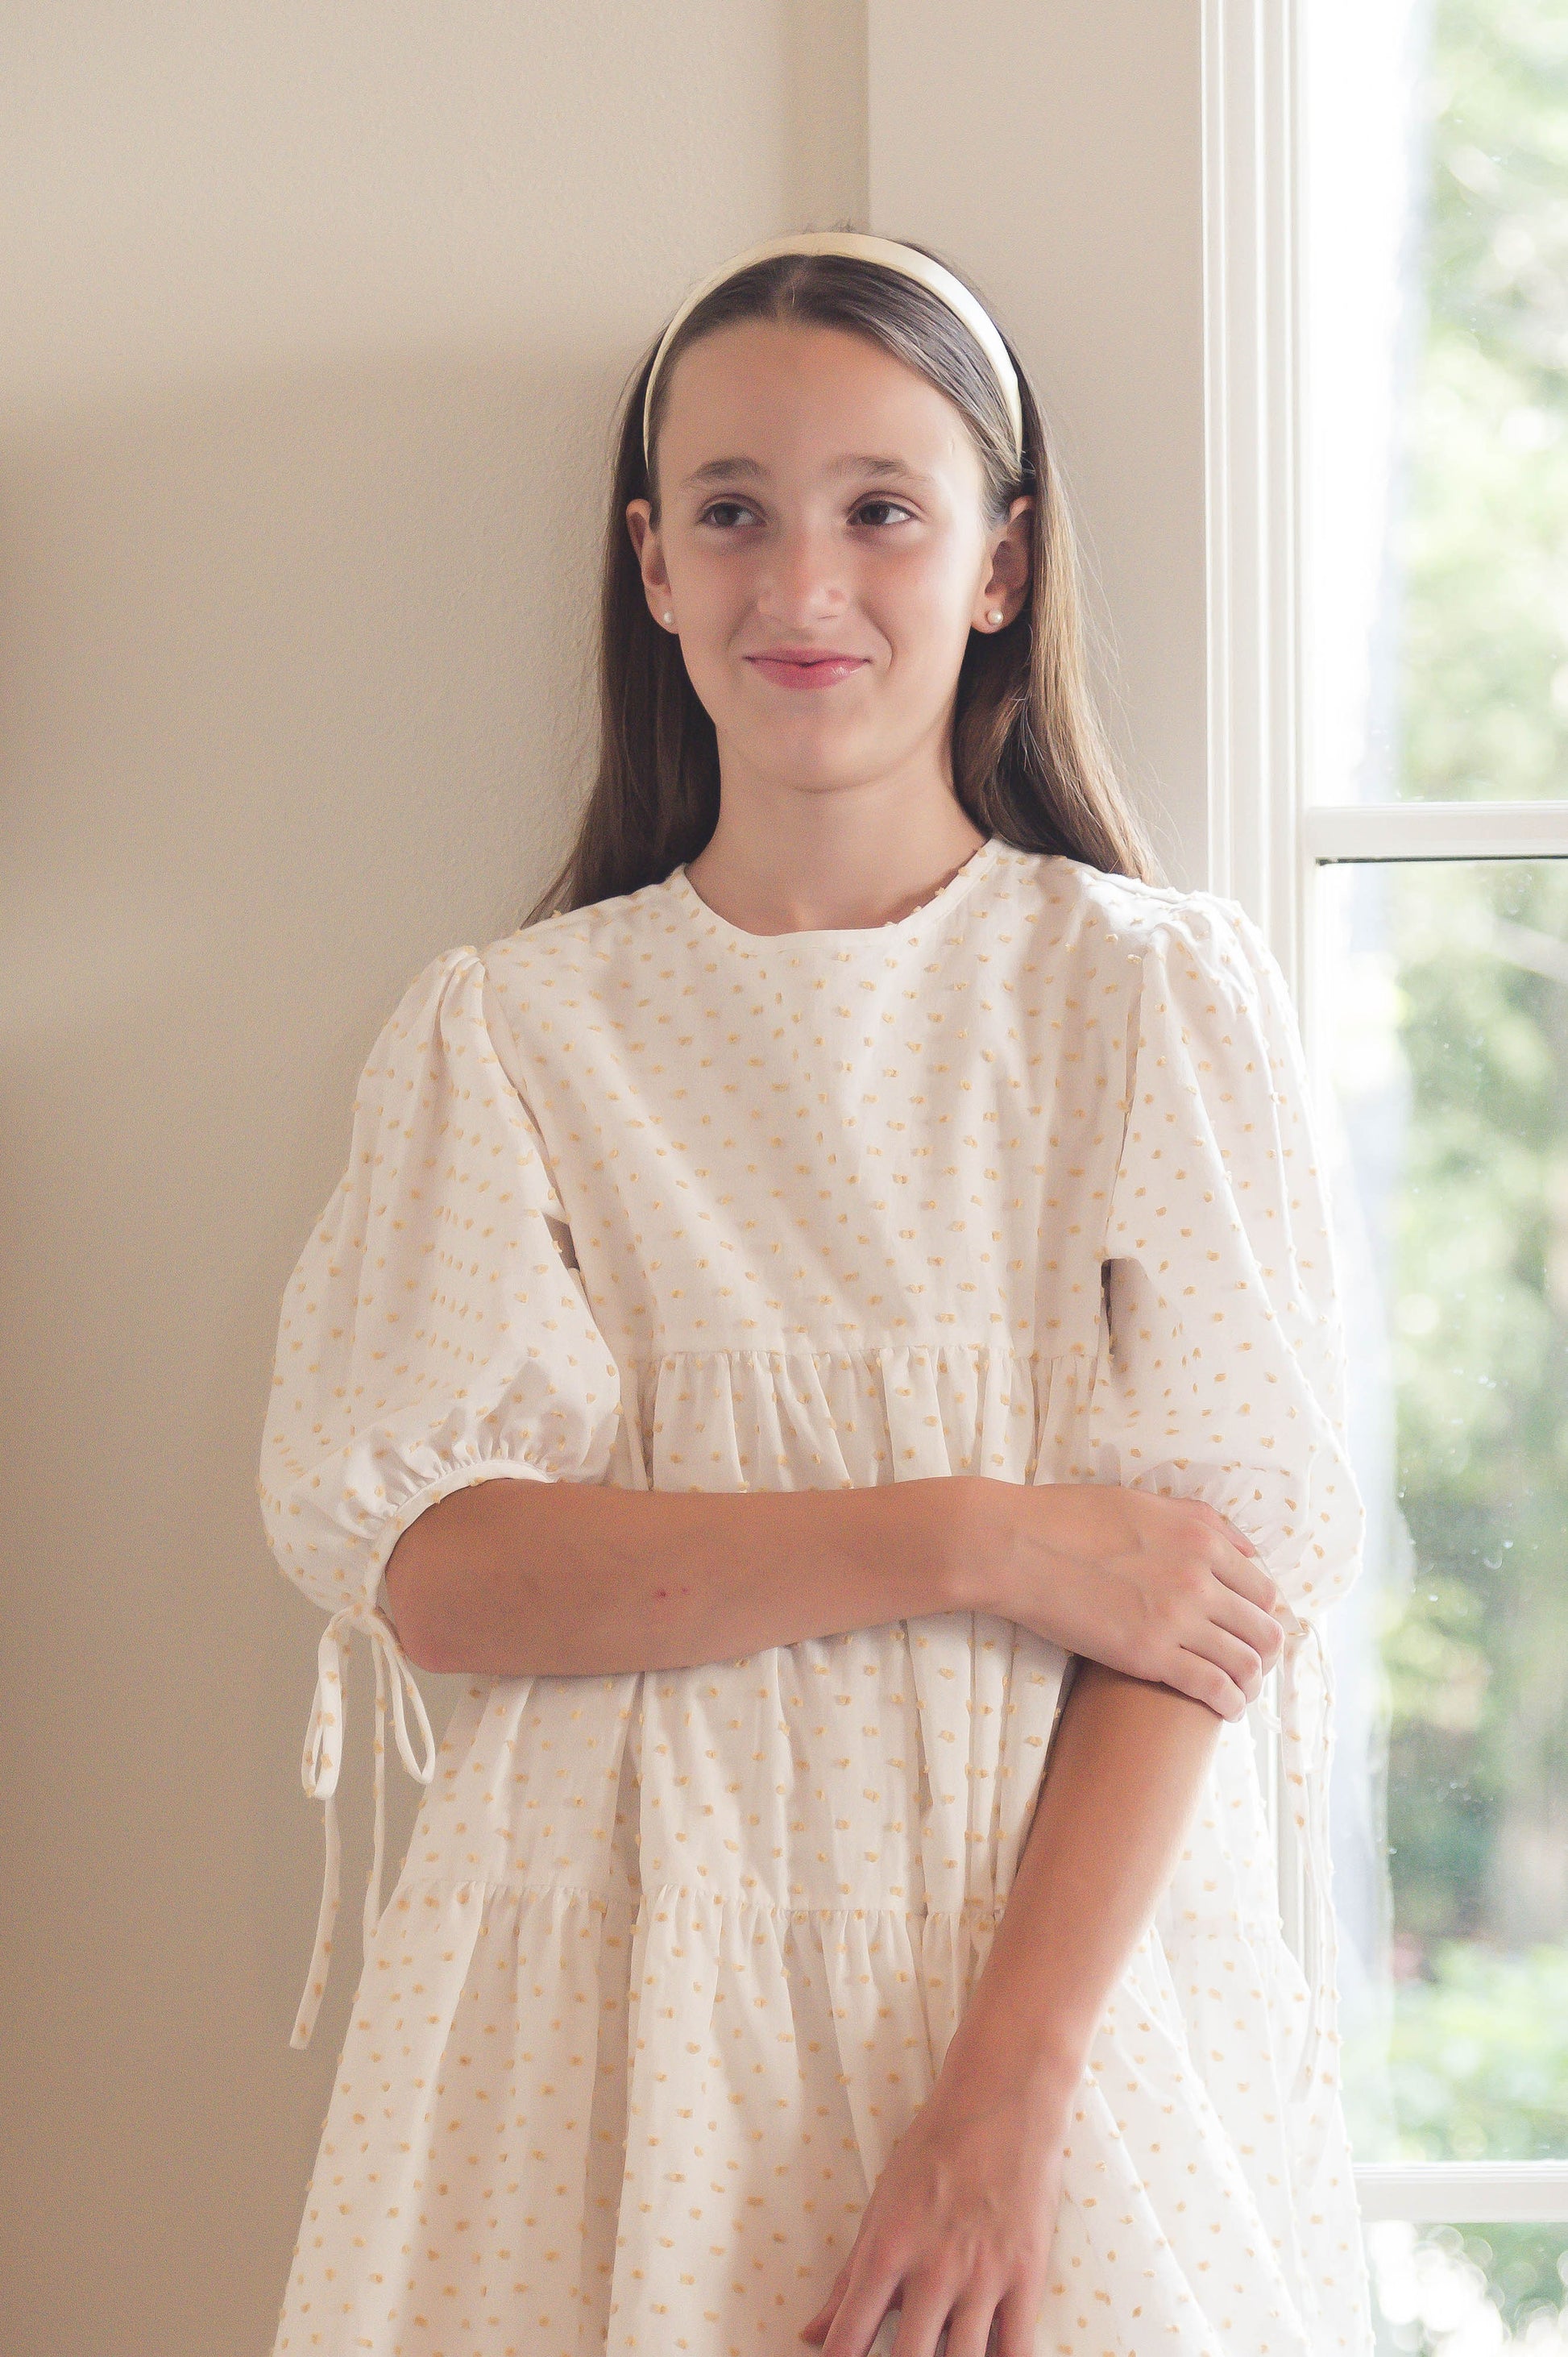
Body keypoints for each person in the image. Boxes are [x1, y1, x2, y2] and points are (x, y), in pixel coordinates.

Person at [258, 232, 1371, 2357]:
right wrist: (978, 1536)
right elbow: (448, 1581)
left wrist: (1004, 2099)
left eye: (880, 510)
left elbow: (1201, 1609)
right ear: (651, 565)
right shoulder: (514, 1034)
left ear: (1000, 561)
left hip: (1051, 1996)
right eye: (730, 513)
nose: (800, 585)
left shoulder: (1142, 1001)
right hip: (597, 1992)